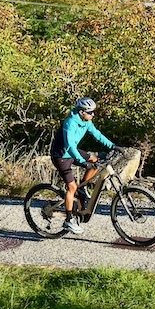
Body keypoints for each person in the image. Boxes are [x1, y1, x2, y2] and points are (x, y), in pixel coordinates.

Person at [49, 96, 115, 235]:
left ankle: (83, 188)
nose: (93, 114)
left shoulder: (86, 121)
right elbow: (70, 145)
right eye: (90, 112)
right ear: (81, 112)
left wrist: (112, 146)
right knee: (71, 187)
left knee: (94, 161)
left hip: (72, 152)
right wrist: (81, 160)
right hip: (61, 155)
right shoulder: (70, 123)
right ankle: (68, 220)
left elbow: (97, 134)